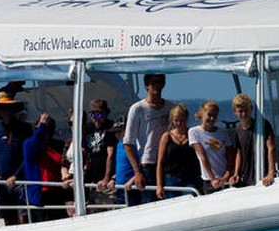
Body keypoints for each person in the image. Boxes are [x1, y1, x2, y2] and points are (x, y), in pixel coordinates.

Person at [123, 73, 172, 204]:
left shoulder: (170, 107)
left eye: (160, 82)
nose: (157, 85)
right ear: (146, 86)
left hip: (169, 162)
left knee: (170, 201)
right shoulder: (137, 109)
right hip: (148, 163)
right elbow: (128, 143)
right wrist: (137, 172)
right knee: (150, 202)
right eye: (153, 83)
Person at [0, 92, 32, 225]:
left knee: (24, 216)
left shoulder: (25, 128)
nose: (6, 112)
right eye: (3, 108)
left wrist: (16, 176)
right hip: (2, 181)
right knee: (7, 217)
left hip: (20, 181)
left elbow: (28, 156)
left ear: (13, 109)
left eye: (8, 108)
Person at [22, 113, 67, 221]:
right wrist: (42, 125)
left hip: (55, 191)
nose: (43, 132)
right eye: (39, 128)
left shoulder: (57, 145)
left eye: (48, 129)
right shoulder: (29, 144)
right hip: (40, 193)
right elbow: (34, 142)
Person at [156, 103, 202, 199]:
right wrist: (159, 185)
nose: (179, 123)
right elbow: (160, 162)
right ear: (172, 120)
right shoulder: (166, 136)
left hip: (190, 178)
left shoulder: (192, 134)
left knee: (190, 199)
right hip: (171, 178)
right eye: (176, 120)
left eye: (182, 120)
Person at [229, 94, 276, 188]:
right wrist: (236, 173)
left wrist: (271, 173)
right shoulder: (237, 130)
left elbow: (271, 148)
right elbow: (239, 153)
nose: (243, 114)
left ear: (251, 109)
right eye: (240, 111)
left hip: (263, 174)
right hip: (246, 176)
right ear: (234, 112)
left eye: (246, 110)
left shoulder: (263, 125)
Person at [188, 100, 234, 194]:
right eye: (209, 115)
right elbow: (202, 156)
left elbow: (230, 155)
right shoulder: (194, 132)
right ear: (202, 113)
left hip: (225, 178)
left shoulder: (222, 133)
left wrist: (226, 175)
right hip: (210, 180)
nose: (212, 118)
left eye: (215, 116)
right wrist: (213, 179)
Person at [81, 99, 118, 207]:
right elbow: (83, 152)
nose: (96, 118)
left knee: (109, 209)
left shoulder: (111, 127)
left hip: (109, 180)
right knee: (93, 210)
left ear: (106, 113)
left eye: (99, 114)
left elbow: (110, 154)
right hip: (93, 179)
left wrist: (106, 178)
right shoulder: (87, 128)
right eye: (93, 114)